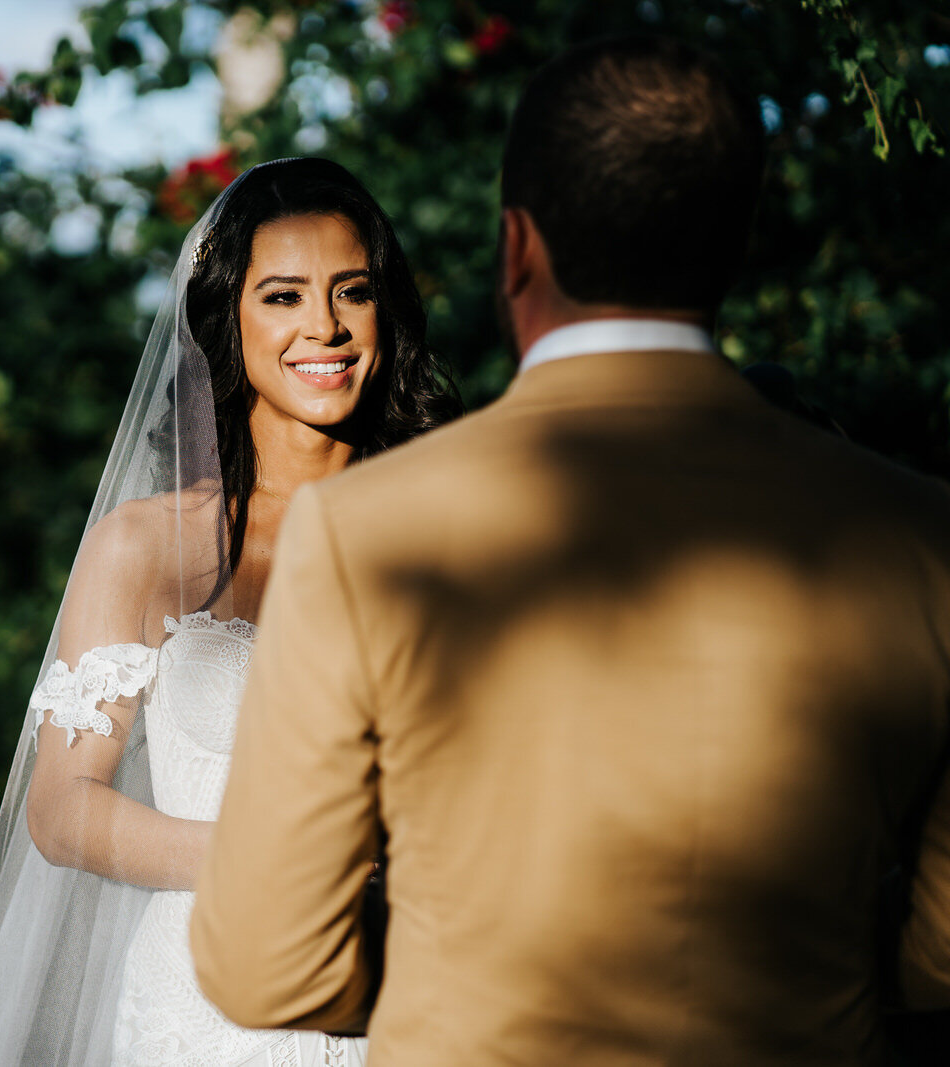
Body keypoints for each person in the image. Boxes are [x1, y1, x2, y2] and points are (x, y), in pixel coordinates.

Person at [191, 35, 950, 1066]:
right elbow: (939, 958)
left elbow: (269, 965)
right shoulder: (920, 535)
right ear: (735, 241)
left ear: (516, 248)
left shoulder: (364, 531)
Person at [0, 157, 461, 1067]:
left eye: (352, 291)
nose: (325, 328)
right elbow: (62, 811)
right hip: (207, 1020)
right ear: (229, 317)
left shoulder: (454, 534)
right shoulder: (145, 550)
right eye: (284, 297)